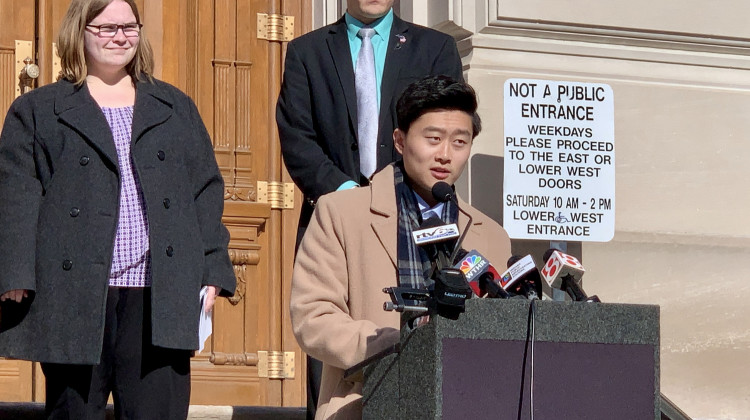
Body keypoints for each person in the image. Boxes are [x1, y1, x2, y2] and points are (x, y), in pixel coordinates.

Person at [0, 0, 235, 418]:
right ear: (80, 32)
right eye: (106, 27)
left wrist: (213, 269)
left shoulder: (174, 106)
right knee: (75, 411)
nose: (119, 36)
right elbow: (16, 193)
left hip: (158, 291)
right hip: (75, 292)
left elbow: (205, 189)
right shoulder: (38, 110)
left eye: (128, 26)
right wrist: (16, 272)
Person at [276, 3, 463, 414]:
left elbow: (447, 131)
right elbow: (297, 137)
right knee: (332, 361)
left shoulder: (435, 47)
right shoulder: (306, 52)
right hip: (334, 220)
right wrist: (351, 198)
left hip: (417, 224)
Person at [290, 76, 512, 420]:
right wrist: (398, 343)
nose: (444, 155)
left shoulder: (491, 235)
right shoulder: (342, 212)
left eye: (459, 142)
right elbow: (313, 317)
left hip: (464, 403)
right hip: (367, 400)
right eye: (433, 139)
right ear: (399, 140)